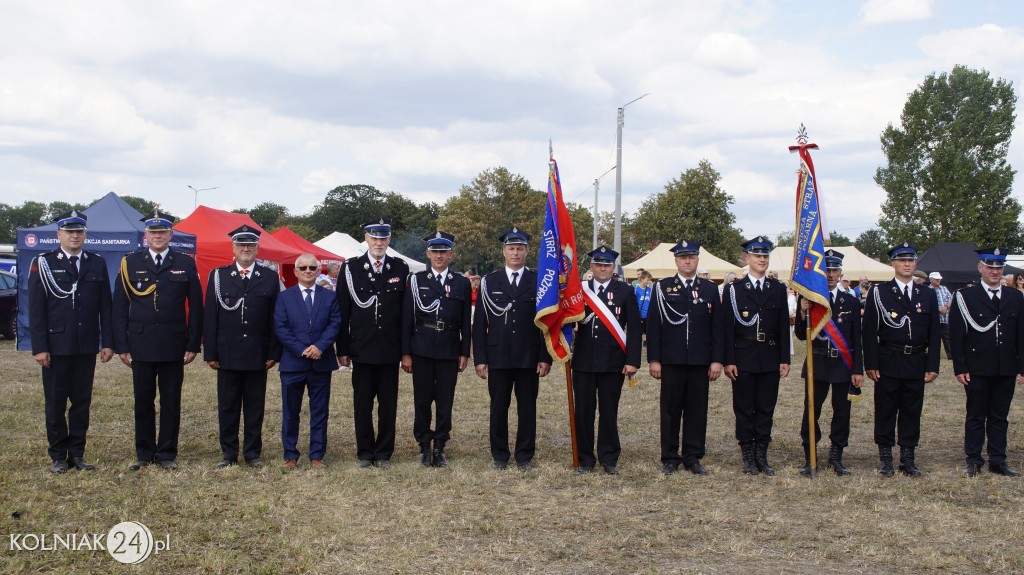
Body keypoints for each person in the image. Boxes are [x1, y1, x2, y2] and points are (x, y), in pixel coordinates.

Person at [114, 210, 204, 471]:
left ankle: (166, 453)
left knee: (170, 401)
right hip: (140, 344)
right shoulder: (130, 263)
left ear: (170, 234)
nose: (158, 236)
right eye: (153, 232)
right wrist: (122, 345)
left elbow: (196, 306)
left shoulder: (185, 262)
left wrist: (192, 344)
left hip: (173, 344)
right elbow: (119, 307)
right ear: (146, 236)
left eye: (162, 232)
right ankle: (144, 453)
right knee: (142, 401)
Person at [28, 210, 114, 473]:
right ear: (59, 234)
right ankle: (57, 455)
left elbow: (105, 307)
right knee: (55, 402)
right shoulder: (42, 262)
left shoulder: (96, 263)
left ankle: (77, 453)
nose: (74, 236)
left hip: (85, 345)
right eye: (69, 231)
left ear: (85, 234)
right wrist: (40, 347)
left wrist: (107, 341)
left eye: (79, 231)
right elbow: (36, 308)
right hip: (56, 346)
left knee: (81, 402)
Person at [473, 227, 552, 471]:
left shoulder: (539, 280)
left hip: (529, 355)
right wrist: (480, 358)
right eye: (511, 248)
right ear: (503, 251)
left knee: (527, 408)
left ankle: (524, 455)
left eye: (520, 249)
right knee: (498, 407)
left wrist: (544, 356)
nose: (515, 253)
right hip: (498, 355)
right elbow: (479, 325)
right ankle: (499, 454)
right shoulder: (489, 281)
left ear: (527, 252)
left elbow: (546, 323)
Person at [204, 225, 282, 469]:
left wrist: (273, 352)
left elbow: (274, 318)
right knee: (227, 406)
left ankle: (252, 453)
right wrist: (211, 353)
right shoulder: (218, 276)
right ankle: (228, 453)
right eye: (241, 245)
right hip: (227, 353)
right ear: (234, 248)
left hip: (258, 354)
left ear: (257, 248)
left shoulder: (269, 277)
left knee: (255, 406)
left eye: (250, 245)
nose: (246, 249)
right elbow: (210, 316)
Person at [646, 239, 724, 475]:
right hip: (671, 359)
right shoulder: (662, 287)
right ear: (676, 260)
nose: (687, 261)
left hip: (700, 360)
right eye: (683, 258)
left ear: (698, 260)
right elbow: (653, 326)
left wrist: (716, 360)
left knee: (697, 410)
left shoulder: (710, 289)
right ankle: (670, 457)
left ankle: (693, 456)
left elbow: (717, 327)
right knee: (670, 410)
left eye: (691, 257)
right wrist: (654, 359)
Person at [336, 218, 409, 468]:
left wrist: (404, 350)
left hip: (389, 349)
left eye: (383, 238)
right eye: (374, 237)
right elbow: (342, 312)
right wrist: (342, 349)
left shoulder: (400, 268)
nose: (379, 242)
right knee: (362, 404)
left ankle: (384, 453)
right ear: (365, 239)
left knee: (388, 406)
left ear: (389, 240)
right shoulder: (351, 268)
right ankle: (366, 452)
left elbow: (404, 314)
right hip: (362, 348)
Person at [862, 242, 940, 477]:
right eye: (902, 260)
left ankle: (908, 457)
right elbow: (869, 332)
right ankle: (885, 458)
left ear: (915, 264)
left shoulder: (926, 294)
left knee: (911, 411)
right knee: (885, 410)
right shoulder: (880, 292)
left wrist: (932, 364)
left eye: (911, 260)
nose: (907, 264)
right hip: (888, 359)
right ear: (893, 264)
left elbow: (934, 332)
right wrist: (871, 364)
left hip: (916, 360)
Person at [950, 248, 1024, 477]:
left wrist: (1022, 367)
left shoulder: (1015, 297)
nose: (994, 271)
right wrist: (960, 367)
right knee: (976, 414)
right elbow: (956, 334)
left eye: (999, 267)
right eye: (990, 267)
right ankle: (973, 460)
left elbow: (1021, 334)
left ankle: (998, 460)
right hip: (977, 367)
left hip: (1006, 366)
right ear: (980, 268)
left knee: (1000, 416)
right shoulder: (966, 296)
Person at [401, 231, 472, 468]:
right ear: (428, 254)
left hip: (448, 349)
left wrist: (464, 352)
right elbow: (407, 319)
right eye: (435, 251)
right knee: (422, 401)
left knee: (445, 402)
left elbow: (465, 321)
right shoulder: (416, 280)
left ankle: (440, 445)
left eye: (444, 251)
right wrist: (406, 353)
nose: (439, 256)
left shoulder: (461, 282)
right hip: (421, 348)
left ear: (450, 254)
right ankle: (423, 446)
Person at [722, 237, 790, 475]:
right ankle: (748, 455)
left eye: (765, 256)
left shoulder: (778, 289)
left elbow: (783, 327)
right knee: (743, 407)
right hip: (743, 357)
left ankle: (762, 454)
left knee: (765, 407)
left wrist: (785, 358)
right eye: (757, 256)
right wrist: (728, 360)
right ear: (747, 259)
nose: (762, 259)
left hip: (770, 355)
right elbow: (727, 329)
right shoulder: (734, 290)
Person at [572, 246, 642, 474]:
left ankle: (609, 457)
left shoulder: (624, 291)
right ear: (591, 267)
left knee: (609, 411)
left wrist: (633, 360)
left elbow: (634, 329)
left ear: (614, 267)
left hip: (613, 361)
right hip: (583, 361)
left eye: (607, 265)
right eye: (598, 264)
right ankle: (585, 458)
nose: (602, 268)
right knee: (583, 411)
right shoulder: (578, 291)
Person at [794, 249, 863, 476]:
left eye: (834, 270)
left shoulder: (850, 302)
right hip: (818, 363)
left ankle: (836, 456)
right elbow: (803, 336)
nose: (831, 274)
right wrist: (803, 314)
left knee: (842, 412)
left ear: (841, 272)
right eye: (827, 270)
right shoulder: (809, 299)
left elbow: (857, 339)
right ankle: (809, 455)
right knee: (811, 411)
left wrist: (858, 369)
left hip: (843, 364)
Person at [273, 254, 341, 469]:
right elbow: (281, 328)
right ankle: (290, 455)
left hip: (321, 362)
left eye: (312, 267)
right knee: (290, 412)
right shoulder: (284, 297)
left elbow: (335, 324)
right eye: (303, 267)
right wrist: (302, 350)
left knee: (319, 412)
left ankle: (316, 455)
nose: (308, 270)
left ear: (319, 270)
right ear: (295, 271)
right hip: (293, 363)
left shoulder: (330, 297)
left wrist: (319, 347)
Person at [928, 272, 953, 360]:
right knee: (934, 339)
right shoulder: (928, 290)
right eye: (936, 279)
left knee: (948, 338)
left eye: (939, 279)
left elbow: (951, 300)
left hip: (945, 319)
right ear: (931, 279)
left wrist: (946, 307)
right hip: (935, 319)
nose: (938, 280)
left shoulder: (944, 289)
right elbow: (928, 304)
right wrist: (939, 309)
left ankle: (951, 355)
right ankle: (934, 355)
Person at [634, 271, 653, 337]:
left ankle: (646, 341)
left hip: (649, 314)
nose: (648, 282)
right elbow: (634, 302)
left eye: (649, 280)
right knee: (639, 330)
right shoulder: (636, 290)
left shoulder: (650, 290)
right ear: (642, 279)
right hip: (640, 314)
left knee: (647, 330)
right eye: (647, 280)